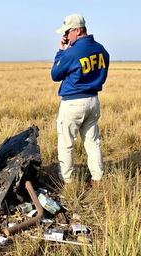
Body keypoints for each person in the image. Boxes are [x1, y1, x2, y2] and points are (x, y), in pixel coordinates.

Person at [51, 14, 110, 186]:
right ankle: (97, 179)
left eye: (68, 32)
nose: (65, 36)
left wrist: (60, 51)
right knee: (93, 142)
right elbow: (102, 75)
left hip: (73, 103)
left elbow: (55, 75)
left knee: (66, 143)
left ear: (77, 30)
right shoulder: (102, 50)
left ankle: (67, 181)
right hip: (93, 101)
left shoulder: (71, 52)